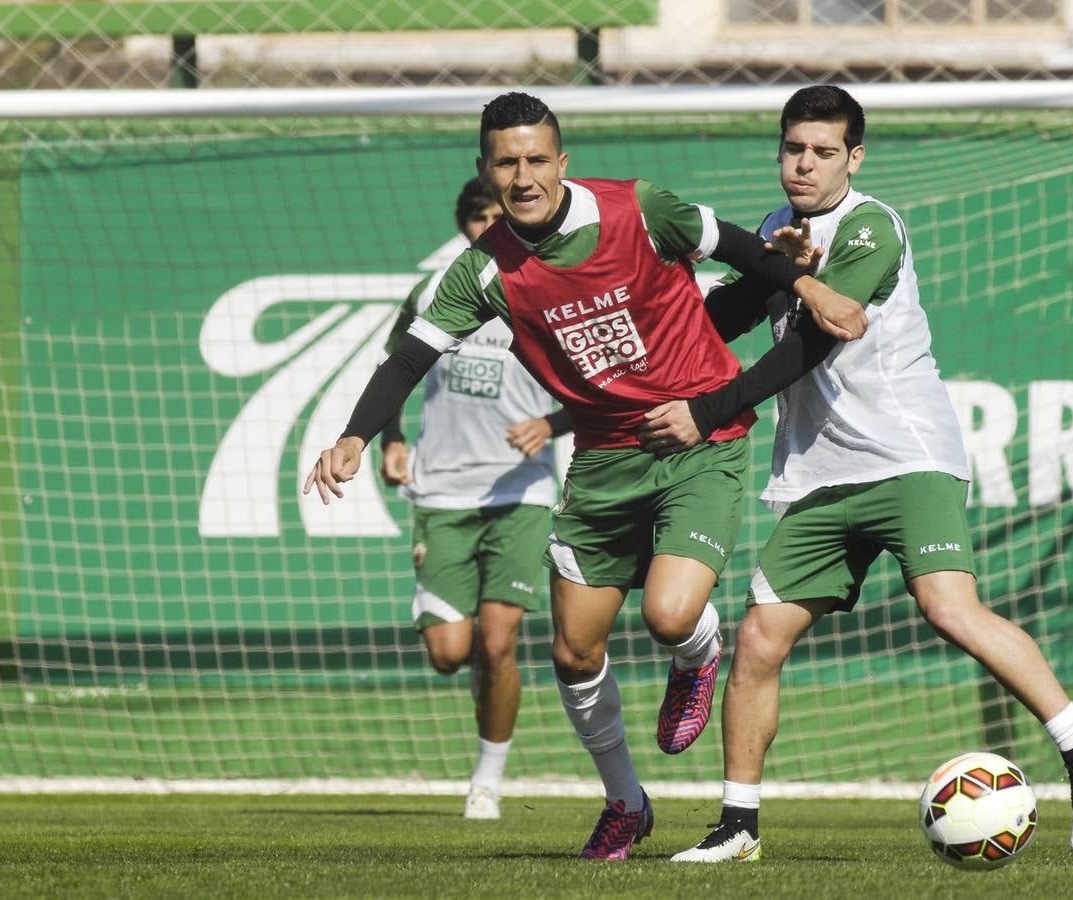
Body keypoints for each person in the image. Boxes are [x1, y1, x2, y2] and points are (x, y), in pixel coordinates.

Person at [303, 91, 868, 860]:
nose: (524, 175)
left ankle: (696, 656)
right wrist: (355, 436)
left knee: (669, 616)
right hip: (603, 462)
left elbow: (737, 246)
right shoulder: (484, 273)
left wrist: (809, 285)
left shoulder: (637, 209)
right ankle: (626, 803)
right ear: (487, 171)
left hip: (699, 439)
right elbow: (409, 355)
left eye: (538, 158)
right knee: (572, 651)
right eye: (508, 162)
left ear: (562, 162)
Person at [634, 85, 1073, 863]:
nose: (804, 163)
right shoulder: (774, 228)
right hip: (821, 473)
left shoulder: (870, 226)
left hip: (905, 455)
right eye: (793, 147)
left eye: (823, 151)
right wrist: (702, 296)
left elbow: (814, 345)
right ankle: (738, 825)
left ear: (853, 158)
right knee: (761, 637)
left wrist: (709, 409)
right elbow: (725, 320)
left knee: (947, 609)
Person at [378, 178, 570, 821]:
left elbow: (598, 377)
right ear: (465, 223)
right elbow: (395, 370)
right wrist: (391, 440)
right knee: (449, 654)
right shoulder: (436, 289)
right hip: (442, 490)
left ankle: (487, 780)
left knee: (497, 641)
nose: (494, 224)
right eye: (482, 216)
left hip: (521, 487)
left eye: (502, 213)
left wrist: (553, 425)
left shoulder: (550, 283)